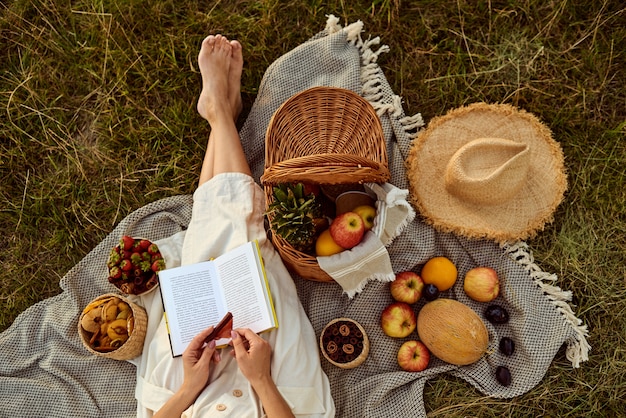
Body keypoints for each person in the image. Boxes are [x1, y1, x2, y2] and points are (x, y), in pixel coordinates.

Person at [135, 35, 335, 417]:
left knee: (202, 259)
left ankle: (219, 112)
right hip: (278, 397)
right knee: (250, 254)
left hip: (189, 399)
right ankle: (220, 111)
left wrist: (190, 389)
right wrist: (260, 379)